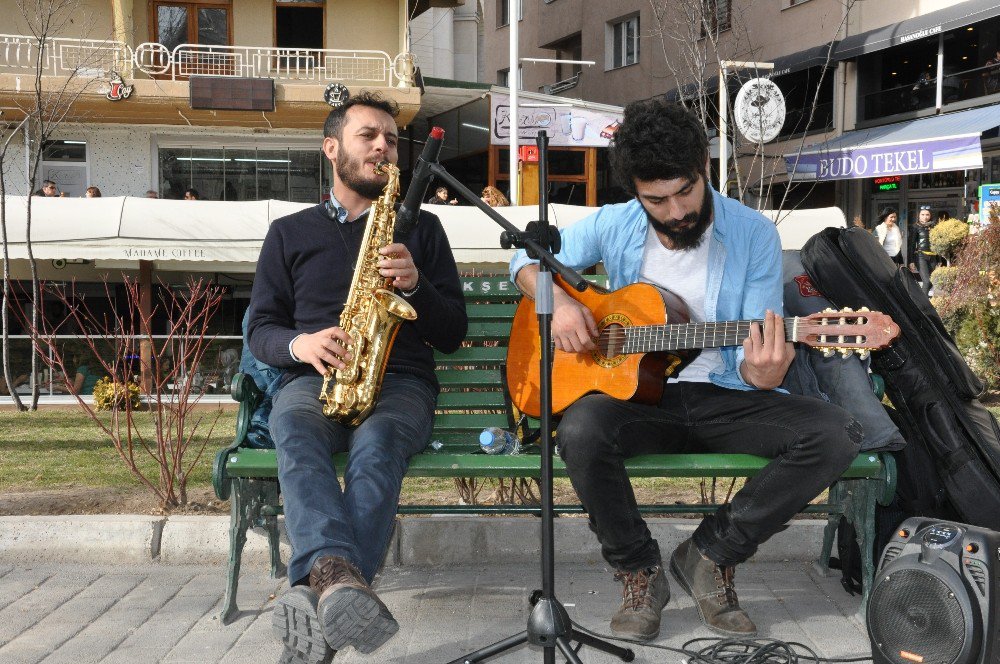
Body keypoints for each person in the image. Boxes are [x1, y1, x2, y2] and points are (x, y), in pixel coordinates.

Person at [509, 100, 861, 641]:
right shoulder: (613, 224)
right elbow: (522, 260)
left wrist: (764, 373)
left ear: (704, 168)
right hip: (637, 398)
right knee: (579, 430)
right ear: (635, 192)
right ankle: (639, 571)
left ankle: (710, 555)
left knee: (834, 434)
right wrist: (561, 299)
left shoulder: (754, 235)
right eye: (657, 199)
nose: (675, 211)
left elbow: (755, 361)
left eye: (686, 191)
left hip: (722, 391)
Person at [247, 91, 467, 663]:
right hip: (318, 376)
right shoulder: (289, 233)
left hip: (401, 384)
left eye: (391, 140)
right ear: (332, 149)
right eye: (368, 136)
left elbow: (452, 333)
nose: (383, 148)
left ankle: (317, 589)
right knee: (292, 431)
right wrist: (303, 343)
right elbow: (261, 330)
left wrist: (417, 286)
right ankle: (337, 586)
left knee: (377, 448)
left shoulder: (422, 230)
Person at [909, 205, 939, 296]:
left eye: (927, 214)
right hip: (921, 256)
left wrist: (939, 260)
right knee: (926, 282)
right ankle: (922, 304)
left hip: (933, 256)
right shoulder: (915, 227)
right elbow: (911, 244)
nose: (925, 217)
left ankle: (920, 300)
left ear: (930, 215)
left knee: (931, 282)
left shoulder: (934, 226)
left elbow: (938, 244)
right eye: (922, 214)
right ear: (918, 215)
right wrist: (911, 261)